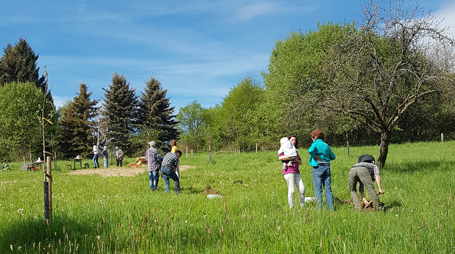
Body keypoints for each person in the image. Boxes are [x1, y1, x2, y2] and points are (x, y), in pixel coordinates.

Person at [308, 129, 336, 210]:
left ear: (314, 137)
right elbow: (333, 157)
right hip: (327, 166)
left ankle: (319, 208)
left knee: (318, 189)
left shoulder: (315, 143)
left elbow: (310, 150)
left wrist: (315, 156)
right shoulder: (326, 145)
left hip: (318, 167)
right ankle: (331, 208)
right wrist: (325, 157)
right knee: (328, 189)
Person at [279, 134, 305, 209]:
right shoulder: (284, 149)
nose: (294, 141)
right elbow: (280, 157)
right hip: (289, 171)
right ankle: (291, 207)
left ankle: (302, 206)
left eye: (295, 140)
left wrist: (296, 160)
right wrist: (291, 158)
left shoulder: (295, 150)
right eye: (292, 140)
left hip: (297, 171)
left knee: (302, 189)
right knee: (292, 190)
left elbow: (300, 161)